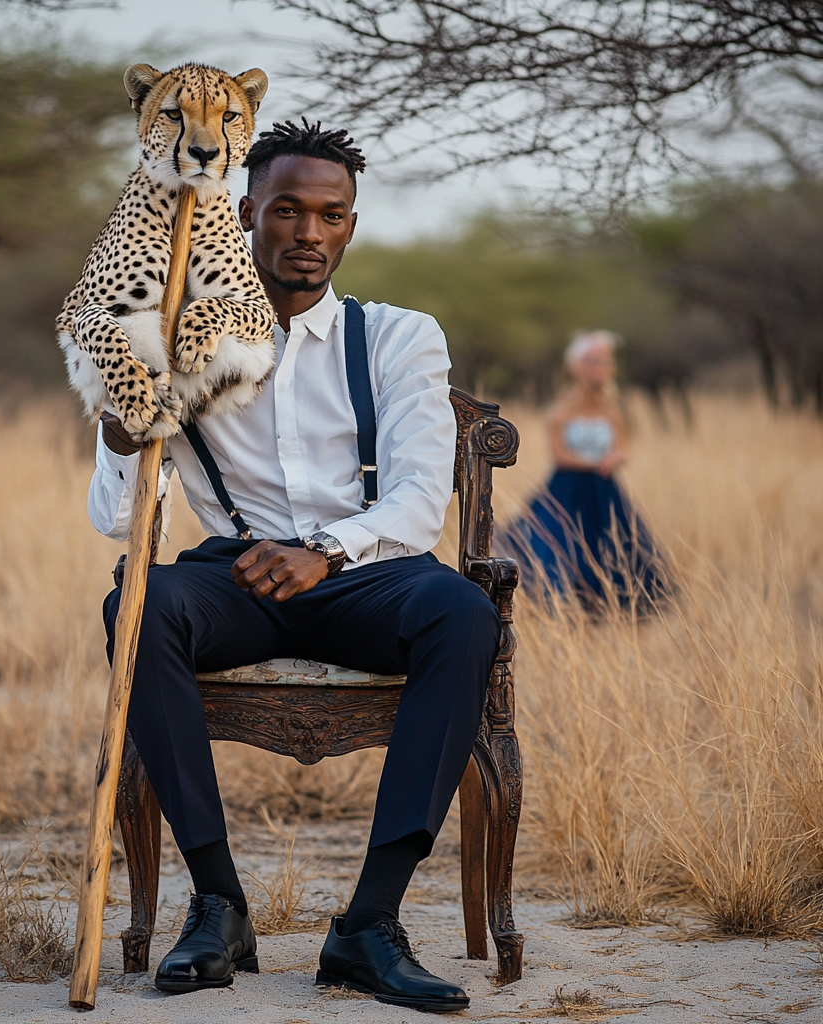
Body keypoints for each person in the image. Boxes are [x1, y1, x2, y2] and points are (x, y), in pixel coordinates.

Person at [87, 121, 500, 1013]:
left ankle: (369, 925)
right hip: (233, 575)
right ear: (243, 216)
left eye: (331, 215)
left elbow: (421, 501)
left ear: (350, 227)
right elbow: (115, 520)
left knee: (463, 612)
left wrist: (324, 552)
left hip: (366, 570)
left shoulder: (397, 337)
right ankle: (218, 904)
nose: (309, 232)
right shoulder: (172, 336)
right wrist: (123, 428)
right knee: (137, 603)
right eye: (287, 211)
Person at [505, 331, 661, 607]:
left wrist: (616, 457)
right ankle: (565, 600)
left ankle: (615, 601)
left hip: (604, 486)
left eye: (603, 361)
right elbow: (560, 455)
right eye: (592, 361)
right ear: (576, 366)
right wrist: (596, 462)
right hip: (568, 486)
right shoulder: (561, 409)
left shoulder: (612, 408)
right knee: (563, 540)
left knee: (615, 541)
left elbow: (622, 445)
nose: (598, 368)